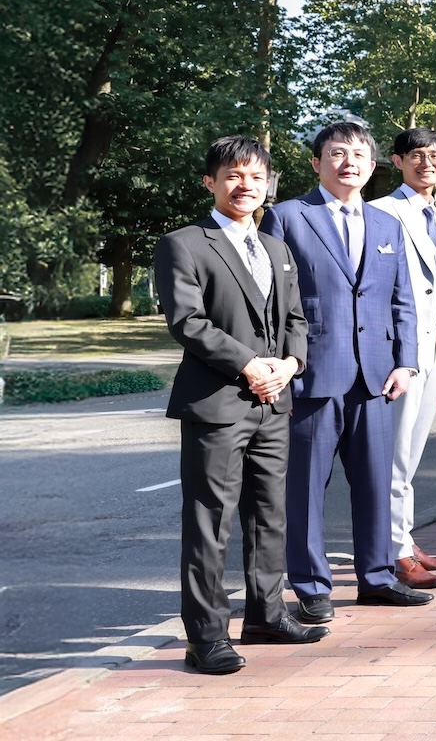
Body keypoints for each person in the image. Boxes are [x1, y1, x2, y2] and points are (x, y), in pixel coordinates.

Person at [154, 136, 327, 675]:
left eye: (255, 176)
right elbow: (188, 322)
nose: (245, 185)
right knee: (211, 522)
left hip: (274, 402)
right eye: (233, 175)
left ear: (267, 183)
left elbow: (296, 318)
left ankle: (267, 616)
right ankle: (206, 637)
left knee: (270, 515)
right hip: (217, 403)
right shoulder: (184, 244)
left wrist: (290, 365)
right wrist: (250, 365)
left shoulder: (276, 248)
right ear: (210, 182)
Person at [260, 122, 430, 620]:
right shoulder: (287, 217)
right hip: (311, 375)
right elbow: (270, 302)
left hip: (375, 378)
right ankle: (311, 585)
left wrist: (406, 362)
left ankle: (377, 577)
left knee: (376, 485)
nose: (348, 162)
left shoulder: (386, 225)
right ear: (317, 163)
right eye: (336, 153)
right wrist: (284, 365)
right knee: (306, 489)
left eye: (358, 154)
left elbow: (402, 300)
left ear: (372, 166)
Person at [366, 127, 436, 591]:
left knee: (411, 457)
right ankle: (394, 551)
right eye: (418, 156)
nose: (428, 164)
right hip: (397, 355)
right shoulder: (380, 211)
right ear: (398, 161)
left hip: (433, 353)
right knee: (394, 459)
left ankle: (403, 539)